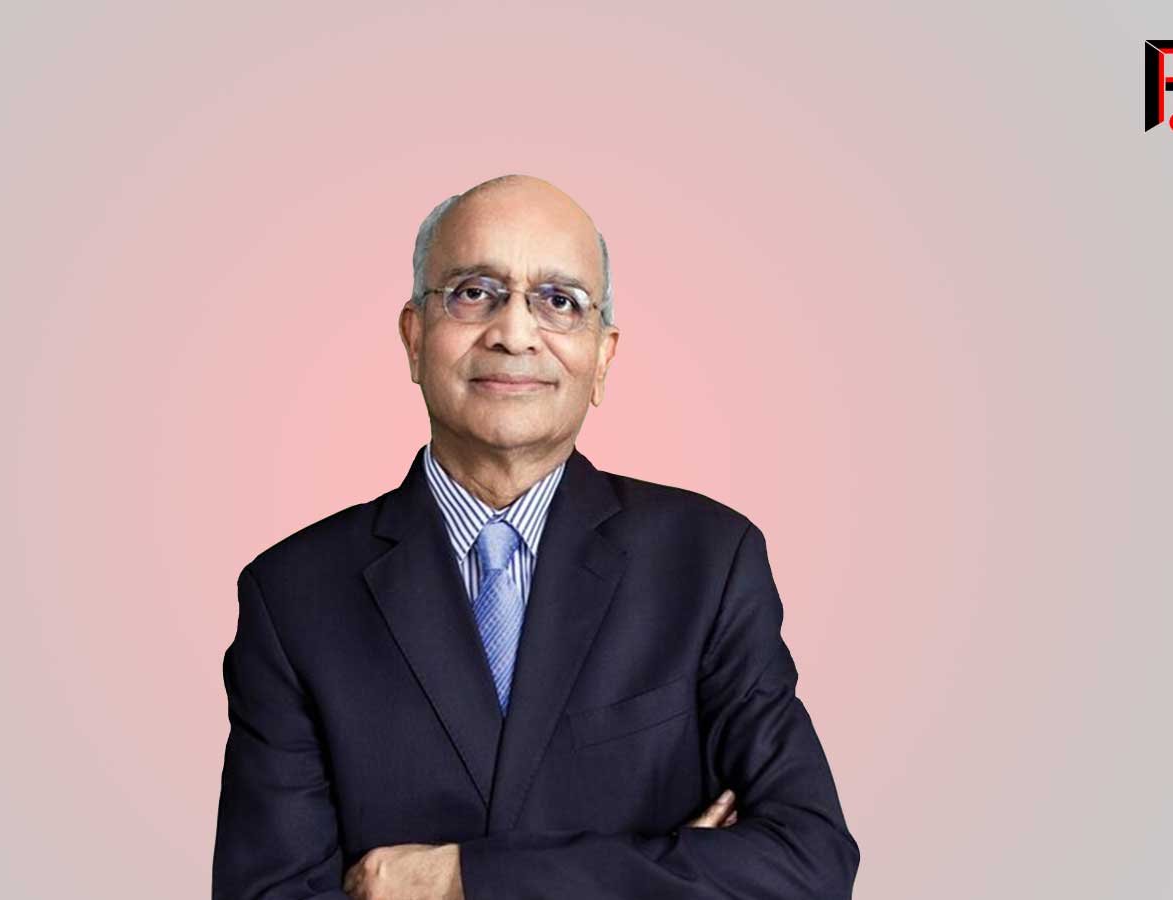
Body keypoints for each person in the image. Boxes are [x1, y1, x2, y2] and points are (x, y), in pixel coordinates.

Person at [212, 174, 860, 899]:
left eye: (559, 301)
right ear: (414, 337)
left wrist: (464, 879)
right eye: (473, 292)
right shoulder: (292, 597)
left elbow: (810, 866)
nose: (514, 333)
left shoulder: (708, 563)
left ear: (603, 356)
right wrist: (665, 874)